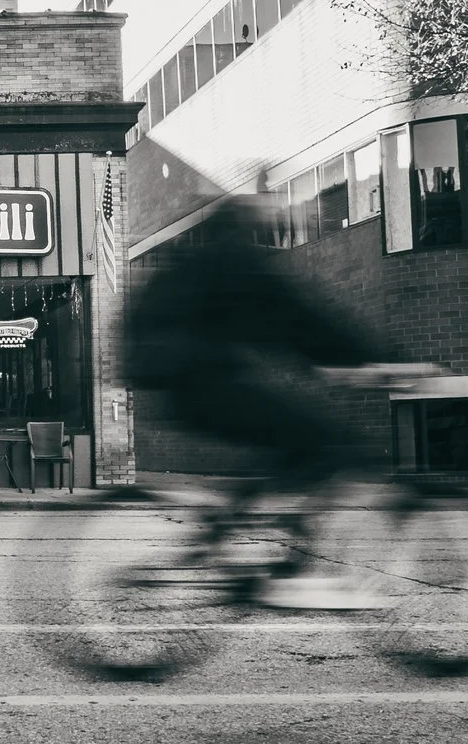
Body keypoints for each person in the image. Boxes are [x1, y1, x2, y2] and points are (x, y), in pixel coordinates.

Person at [124, 196, 392, 605]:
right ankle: (288, 566)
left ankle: (225, 532)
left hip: (182, 388)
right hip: (204, 384)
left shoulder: (201, 265)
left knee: (283, 445)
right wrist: (374, 360)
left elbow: (288, 325)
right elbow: (300, 320)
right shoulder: (236, 264)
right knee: (326, 442)